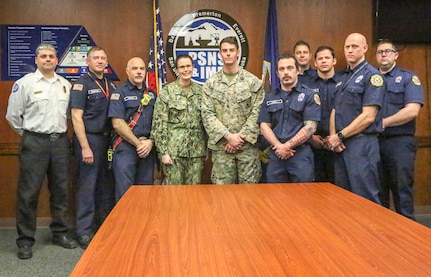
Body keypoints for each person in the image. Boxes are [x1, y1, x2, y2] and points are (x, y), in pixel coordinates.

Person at [6, 43, 77, 259]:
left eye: (52, 56)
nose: (48, 59)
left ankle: (60, 233)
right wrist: (30, 135)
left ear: (57, 60)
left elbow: (66, 116)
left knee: (61, 190)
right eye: (43, 56)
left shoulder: (65, 84)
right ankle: (25, 240)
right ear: (36, 60)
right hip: (34, 143)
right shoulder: (24, 84)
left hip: (60, 144)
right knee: (28, 193)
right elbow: (13, 116)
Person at [327, 33, 385, 203]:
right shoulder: (342, 78)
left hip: (362, 143)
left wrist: (339, 136)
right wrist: (332, 137)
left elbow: (369, 116)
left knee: (365, 197)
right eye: (347, 47)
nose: (350, 50)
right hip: (340, 145)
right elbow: (335, 110)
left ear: (365, 48)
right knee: (342, 198)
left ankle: (371, 231)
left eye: (355, 46)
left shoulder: (372, 76)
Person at [70, 46, 116, 248]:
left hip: (107, 141)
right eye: (95, 58)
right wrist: (85, 147)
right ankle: (83, 231)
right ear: (87, 62)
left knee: (105, 186)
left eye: (103, 58)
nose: (100, 61)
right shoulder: (82, 85)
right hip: (89, 140)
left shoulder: (111, 85)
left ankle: (102, 226)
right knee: (87, 187)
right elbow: (76, 117)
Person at [201, 36, 264, 184]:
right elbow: (207, 114)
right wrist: (228, 137)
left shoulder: (253, 82)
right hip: (222, 149)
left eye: (231, 50)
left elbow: (257, 113)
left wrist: (239, 139)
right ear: (220, 54)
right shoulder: (210, 84)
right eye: (224, 51)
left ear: (238, 52)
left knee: (249, 196)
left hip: (247, 149)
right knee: (223, 197)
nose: (228, 53)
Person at [375, 39, 424, 219]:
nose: (384, 55)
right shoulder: (371, 79)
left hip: (399, 143)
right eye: (380, 52)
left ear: (396, 55)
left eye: (388, 51)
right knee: (378, 194)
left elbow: (412, 111)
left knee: (402, 193)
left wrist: (383, 123)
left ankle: (408, 240)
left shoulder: (408, 78)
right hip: (374, 143)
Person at [258, 53, 321, 183]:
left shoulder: (309, 95)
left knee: (302, 197)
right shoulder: (270, 97)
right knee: (274, 199)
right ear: (277, 73)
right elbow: (264, 126)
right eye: (282, 69)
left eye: (290, 68)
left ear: (298, 70)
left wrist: (287, 146)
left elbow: (310, 127)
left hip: (300, 156)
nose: (286, 72)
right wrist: (279, 146)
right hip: (275, 156)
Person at [152, 54, 207, 184]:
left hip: (196, 152)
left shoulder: (201, 92)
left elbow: (205, 122)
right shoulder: (168, 92)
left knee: (193, 193)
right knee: (174, 193)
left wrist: (206, 149)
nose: (186, 70)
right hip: (173, 152)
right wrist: (164, 152)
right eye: (182, 67)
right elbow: (159, 124)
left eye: (188, 66)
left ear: (193, 68)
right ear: (177, 70)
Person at [108, 57, 156, 200]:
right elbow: (117, 123)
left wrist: (151, 141)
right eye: (135, 69)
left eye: (141, 68)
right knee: (125, 194)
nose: (139, 72)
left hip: (147, 149)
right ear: (127, 71)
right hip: (126, 148)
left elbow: (159, 122)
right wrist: (138, 143)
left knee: (146, 194)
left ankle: (143, 223)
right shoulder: (119, 93)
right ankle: (124, 223)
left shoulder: (152, 94)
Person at [307, 46, 340, 183]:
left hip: (339, 142)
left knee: (339, 186)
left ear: (334, 61)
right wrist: (310, 137)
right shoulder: (307, 85)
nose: (324, 61)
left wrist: (337, 137)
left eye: (327, 58)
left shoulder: (343, 83)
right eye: (320, 58)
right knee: (315, 188)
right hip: (314, 143)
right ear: (315, 63)